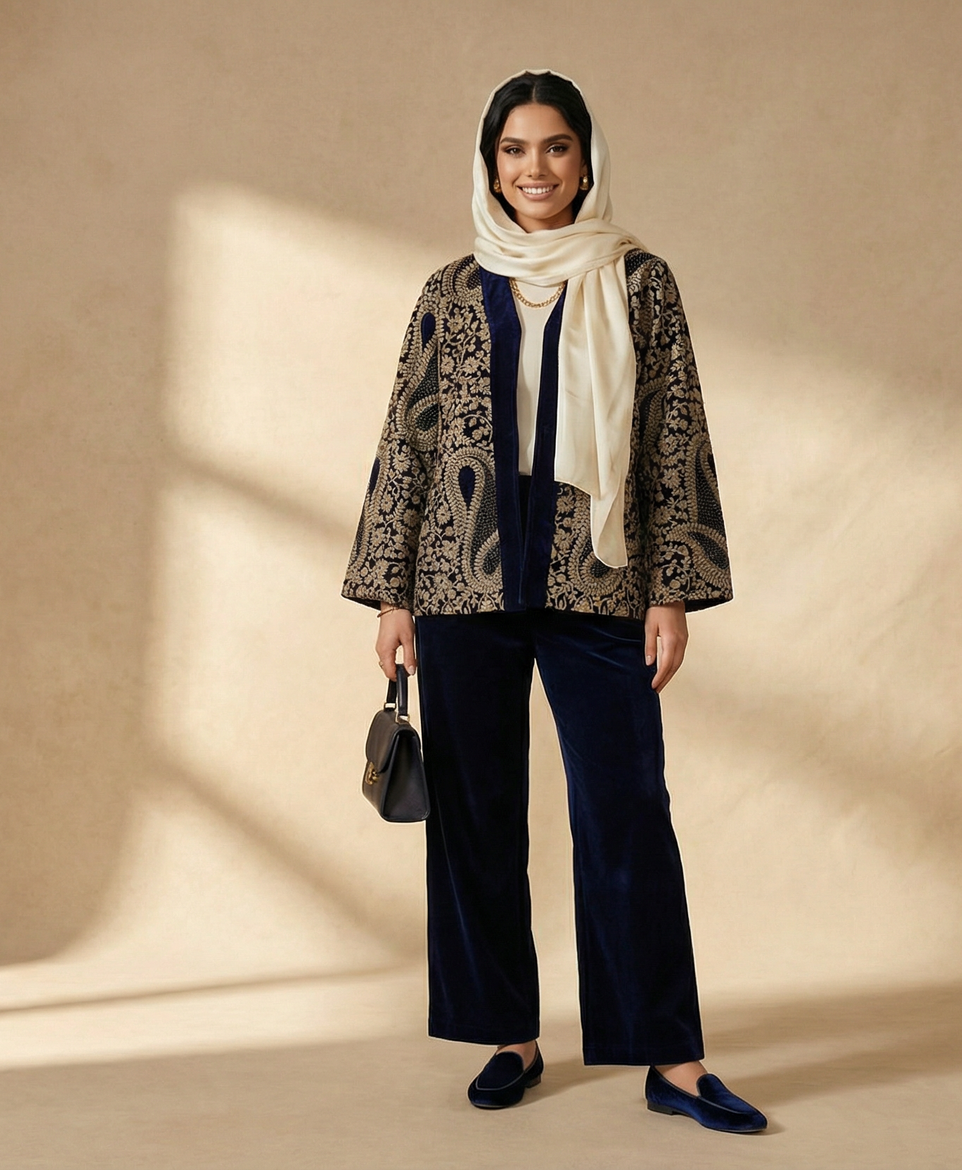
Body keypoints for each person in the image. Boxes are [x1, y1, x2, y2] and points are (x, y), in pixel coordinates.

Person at [341, 69, 764, 1135]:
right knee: (477, 818)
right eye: (515, 149)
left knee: (626, 811)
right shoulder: (450, 291)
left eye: (557, 147)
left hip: (599, 581)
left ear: (587, 159)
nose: (536, 169)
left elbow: (672, 435)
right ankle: (509, 1034)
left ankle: (672, 1059)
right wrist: (392, 595)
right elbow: (410, 440)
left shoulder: (640, 283)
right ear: (492, 165)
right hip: (461, 584)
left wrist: (671, 590)